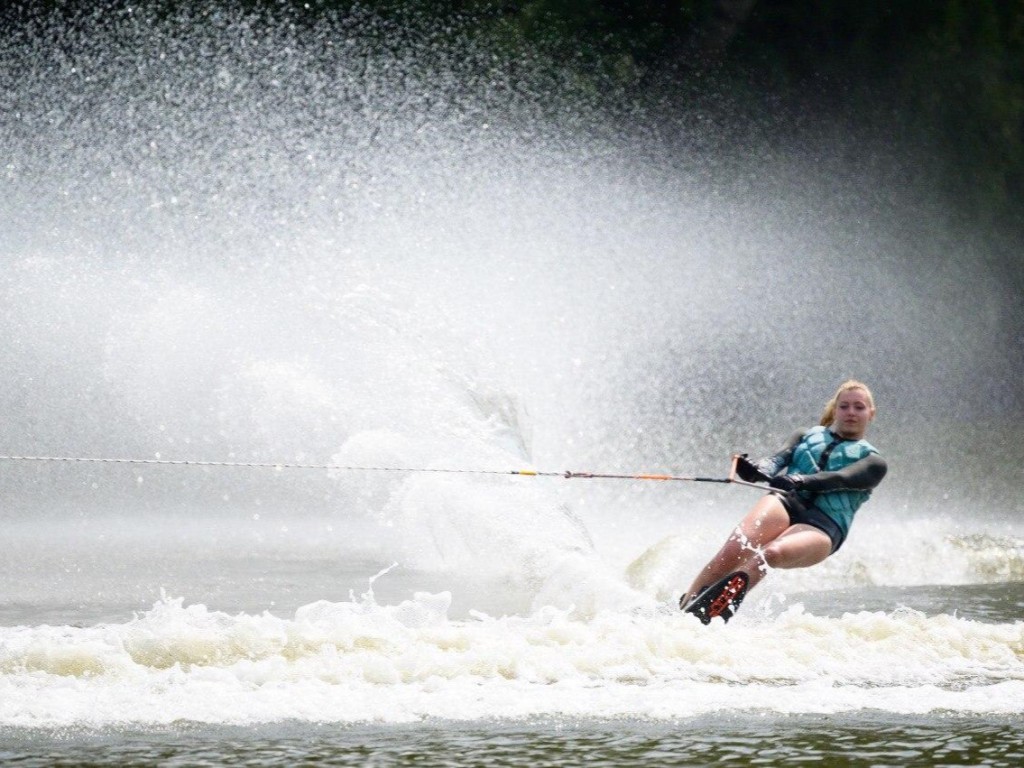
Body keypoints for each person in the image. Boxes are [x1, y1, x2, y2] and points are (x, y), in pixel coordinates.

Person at [679, 379, 888, 624]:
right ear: (835, 409)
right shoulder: (805, 435)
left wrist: (800, 479)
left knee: (772, 553)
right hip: (786, 502)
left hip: (824, 524)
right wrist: (756, 470)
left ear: (870, 413)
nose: (851, 412)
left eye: (859, 407)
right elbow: (775, 461)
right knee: (735, 548)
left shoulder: (875, 463)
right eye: (844, 406)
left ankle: (716, 606)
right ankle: (685, 607)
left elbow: (840, 478)